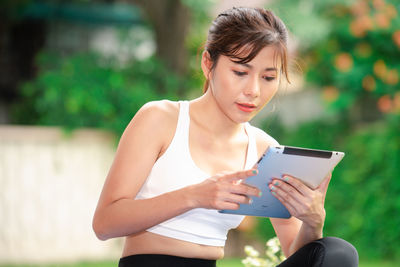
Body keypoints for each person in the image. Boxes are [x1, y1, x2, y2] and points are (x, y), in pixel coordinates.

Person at [92, 7, 358, 267]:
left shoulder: (265, 150)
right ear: (208, 64)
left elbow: (298, 254)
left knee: (337, 253)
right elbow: (105, 223)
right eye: (240, 73)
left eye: (268, 77)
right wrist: (195, 196)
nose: (253, 90)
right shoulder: (160, 119)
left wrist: (313, 221)